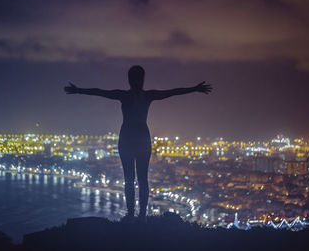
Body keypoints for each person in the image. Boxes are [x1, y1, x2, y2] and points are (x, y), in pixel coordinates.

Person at [64, 65, 212, 220]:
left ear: (129, 80)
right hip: (141, 138)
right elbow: (172, 92)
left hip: (128, 137)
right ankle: (141, 215)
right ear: (142, 79)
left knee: (130, 179)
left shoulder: (125, 96)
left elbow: (101, 92)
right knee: (142, 178)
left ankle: (131, 214)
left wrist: (79, 90)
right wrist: (194, 89)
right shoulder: (148, 96)